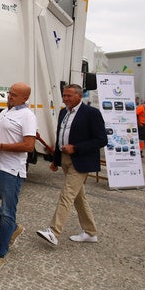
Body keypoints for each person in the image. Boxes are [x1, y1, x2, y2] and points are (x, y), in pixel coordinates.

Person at [36, 84, 107, 246]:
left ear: (79, 96)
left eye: (69, 96)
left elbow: (101, 140)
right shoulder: (63, 112)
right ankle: (90, 232)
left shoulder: (91, 114)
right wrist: (55, 161)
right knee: (78, 198)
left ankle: (54, 232)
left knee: (67, 194)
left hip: (81, 160)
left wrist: (76, 148)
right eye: (64, 95)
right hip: (65, 160)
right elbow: (60, 137)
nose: (65, 99)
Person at [0, 82, 37, 272]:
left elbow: (29, 145)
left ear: (25, 98)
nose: (9, 97)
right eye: (9, 93)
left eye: (14, 95)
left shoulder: (28, 116)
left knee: (7, 213)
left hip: (11, 171)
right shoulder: (6, 112)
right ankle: (12, 229)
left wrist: (1, 146)